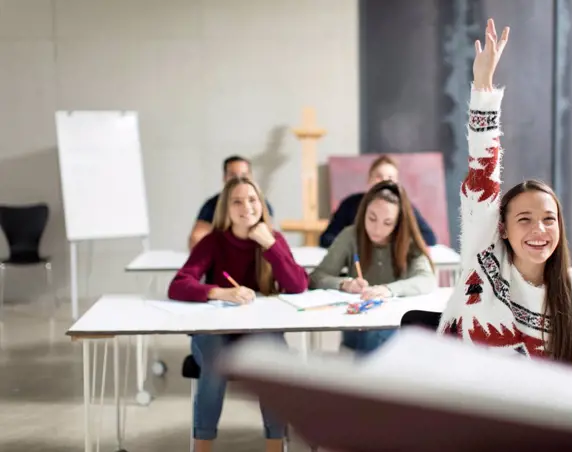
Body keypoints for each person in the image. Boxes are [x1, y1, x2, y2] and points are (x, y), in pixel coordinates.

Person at [405, 19, 572, 368]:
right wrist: (483, 88)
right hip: (466, 403)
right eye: (524, 219)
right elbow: (482, 175)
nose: (539, 230)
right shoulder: (485, 260)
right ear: (502, 228)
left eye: (548, 219)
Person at [168, 177, 308, 452]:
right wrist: (219, 292)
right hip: (215, 331)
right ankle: (202, 446)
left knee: (274, 364)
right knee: (216, 364)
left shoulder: (273, 239)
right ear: (227, 210)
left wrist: (270, 246)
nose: (247, 206)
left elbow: (298, 284)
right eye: (237, 201)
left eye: (252, 199)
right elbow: (178, 284)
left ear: (261, 205)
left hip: (258, 332)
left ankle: (275, 445)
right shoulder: (213, 242)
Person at [309, 180, 437, 354]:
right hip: (357, 322)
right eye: (372, 218)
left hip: (392, 321)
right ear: (363, 212)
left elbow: (427, 279)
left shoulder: (408, 240)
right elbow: (317, 277)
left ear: (398, 222)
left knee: (377, 341)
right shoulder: (350, 235)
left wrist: (388, 289)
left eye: (387, 223)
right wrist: (344, 283)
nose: (377, 229)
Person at [319, 155, 437, 248]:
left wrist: (395, 244)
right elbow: (327, 238)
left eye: (390, 177)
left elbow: (429, 237)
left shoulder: (406, 207)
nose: (384, 181)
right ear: (369, 179)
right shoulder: (350, 204)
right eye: (379, 176)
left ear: (397, 182)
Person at [189, 155, 274, 249]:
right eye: (237, 202)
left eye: (252, 200)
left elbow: (268, 235)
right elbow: (196, 238)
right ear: (224, 177)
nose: (246, 208)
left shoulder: (264, 204)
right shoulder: (212, 205)